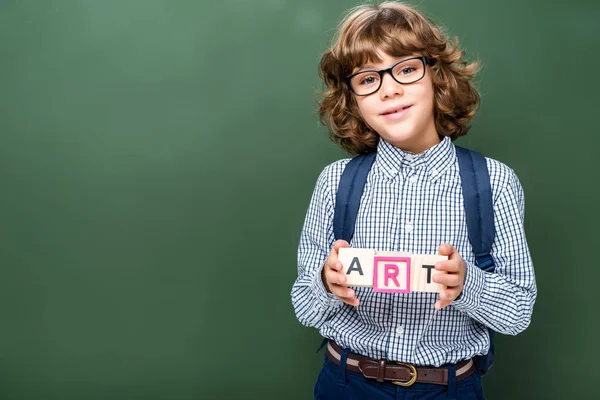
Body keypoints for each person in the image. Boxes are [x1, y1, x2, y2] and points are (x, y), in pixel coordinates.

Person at [290, 2, 537, 399]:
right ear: (353, 100)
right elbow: (305, 305)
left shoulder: (495, 183)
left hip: (449, 388)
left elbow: (518, 313)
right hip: (346, 383)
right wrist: (326, 283)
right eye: (368, 79)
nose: (389, 88)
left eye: (406, 69)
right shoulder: (336, 183)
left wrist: (466, 284)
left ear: (437, 77)